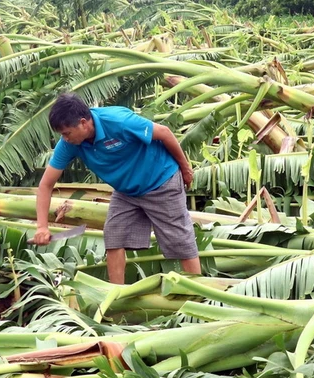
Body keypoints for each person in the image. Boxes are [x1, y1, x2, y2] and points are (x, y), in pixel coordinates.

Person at [33, 93, 201, 284]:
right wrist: (42, 226)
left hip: (160, 182)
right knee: (113, 236)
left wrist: (186, 169)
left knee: (180, 242)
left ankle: (198, 294)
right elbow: (46, 185)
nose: (65, 139)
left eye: (66, 133)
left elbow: (164, 132)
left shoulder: (118, 121)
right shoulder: (70, 144)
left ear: (83, 123)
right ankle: (116, 294)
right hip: (126, 192)